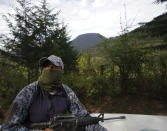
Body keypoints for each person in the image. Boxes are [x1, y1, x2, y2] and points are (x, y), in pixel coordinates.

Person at [1, 55, 107, 131]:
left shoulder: (67, 92)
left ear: (60, 71)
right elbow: (7, 126)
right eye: (46, 66)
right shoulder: (28, 92)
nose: (48, 69)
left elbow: (84, 118)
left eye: (53, 67)